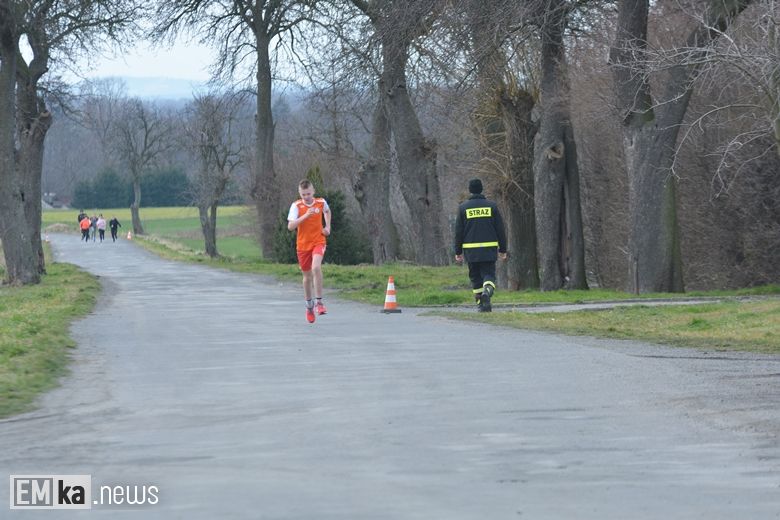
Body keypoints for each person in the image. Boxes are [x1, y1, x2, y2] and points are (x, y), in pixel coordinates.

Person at [453, 178, 507, 312]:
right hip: (489, 248)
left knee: (475, 277)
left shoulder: (463, 208)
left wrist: (458, 251)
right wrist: (503, 249)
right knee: (488, 274)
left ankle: (481, 305)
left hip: (471, 251)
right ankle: (487, 293)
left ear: (470, 191)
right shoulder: (492, 206)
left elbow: (458, 232)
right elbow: (500, 229)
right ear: (481, 189)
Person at [287, 179, 331, 323]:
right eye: (303, 194)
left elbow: (327, 211)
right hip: (302, 245)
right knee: (306, 278)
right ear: (300, 194)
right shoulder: (296, 206)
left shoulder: (320, 202)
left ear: (313, 192)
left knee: (316, 267)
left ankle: (319, 303)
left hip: (318, 241)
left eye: (308, 193)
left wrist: (328, 227)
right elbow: (290, 226)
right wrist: (305, 215)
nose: (306, 197)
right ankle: (309, 306)